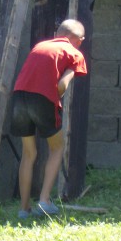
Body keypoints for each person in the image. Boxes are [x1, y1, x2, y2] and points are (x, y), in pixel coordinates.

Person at [10, 19, 88, 218]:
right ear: (75, 39)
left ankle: (24, 208)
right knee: (57, 147)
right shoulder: (75, 53)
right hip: (42, 99)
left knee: (29, 153)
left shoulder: (40, 46)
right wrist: (60, 91)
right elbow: (61, 85)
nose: (82, 43)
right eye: (81, 39)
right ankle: (44, 201)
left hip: (19, 96)